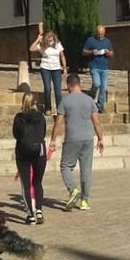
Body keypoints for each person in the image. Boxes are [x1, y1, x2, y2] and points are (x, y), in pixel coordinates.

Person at [49, 74, 104, 212]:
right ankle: (85, 200)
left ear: (68, 85)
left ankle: (73, 190)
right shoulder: (89, 100)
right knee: (86, 170)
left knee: (65, 166)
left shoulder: (65, 101)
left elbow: (58, 123)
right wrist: (100, 138)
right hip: (88, 138)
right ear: (79, 84)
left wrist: (53, 140)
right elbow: (96, 122)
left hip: (72, 138)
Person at [12, 91, 47, 225]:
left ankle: (30, 215)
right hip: (39, 150)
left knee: (26, 184)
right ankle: (39, 210)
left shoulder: (19, 117)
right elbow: (43, 132)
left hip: (23, 151)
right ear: (35, 103)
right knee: (37, 182)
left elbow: (16, 134)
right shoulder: (40, 116)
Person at [30, 30, 66, 115]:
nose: (50, 41)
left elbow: (62, 56)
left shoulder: (58, 44)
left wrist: (64, 67)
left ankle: (59, 108)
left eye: (51, 39)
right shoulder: (42, 45)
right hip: (45, 68)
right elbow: (31, 49)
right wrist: (38, 39)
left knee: (57, 89)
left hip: (56, 69)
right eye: (49, 40)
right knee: (47, 88)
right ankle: (48, 108)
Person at [82, 25, 114, 113]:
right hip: (94, 66)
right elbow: (84, 52)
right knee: (96, 83)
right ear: (96, 32)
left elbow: (112, 54)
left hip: (104, 67)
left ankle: (100, 106)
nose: (100, 36)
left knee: (104, 87)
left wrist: (108, 53)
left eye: (102, 34)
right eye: (99, 34)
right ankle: (91, 95)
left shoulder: (107, 41)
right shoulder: (90, 40)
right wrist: (91, 52)